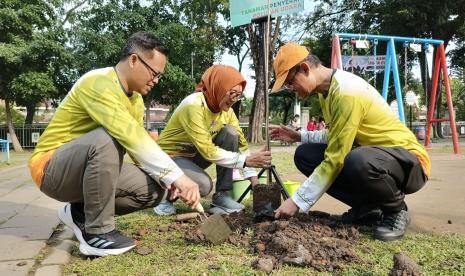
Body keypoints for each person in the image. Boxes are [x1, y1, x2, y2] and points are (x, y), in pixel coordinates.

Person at [28, 32, 201, 256]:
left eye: (160, 76)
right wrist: (179, 176)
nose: (156, 80)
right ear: (134, 60)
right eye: (155, 73)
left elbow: (138, 148)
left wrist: (166, 179)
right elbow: (130, 135)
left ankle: (79, 213)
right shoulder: (98, 82)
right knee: (106, 137)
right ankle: (96, 233)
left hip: (87, 169)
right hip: (52, 169)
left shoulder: (136, 100)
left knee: (156, 191)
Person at [269, 43, 430, 242]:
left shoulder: (346, 93)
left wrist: (296, 202)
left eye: (289, 82)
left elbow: (336, 157)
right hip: (378, 159)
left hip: (410, 162)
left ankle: (396, 211)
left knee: (355, 160)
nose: (290, 89)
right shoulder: (326, 93)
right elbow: (338, 135)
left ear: (304, 69)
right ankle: (367, 209)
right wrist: (299, 137)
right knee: (305, 156)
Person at [154, 65, 272, 215]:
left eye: (239, 95)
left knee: (231, 133)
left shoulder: (227, 112)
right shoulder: (194, 105)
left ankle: (222, 196)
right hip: (170, 157)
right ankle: (163, 197)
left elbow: (242, 146)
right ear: (218, 87)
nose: (234, 99)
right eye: (232, 93)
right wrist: (245, 160)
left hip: (193, 156)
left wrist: (255, 184)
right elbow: (208, 150)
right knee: (203, 185)